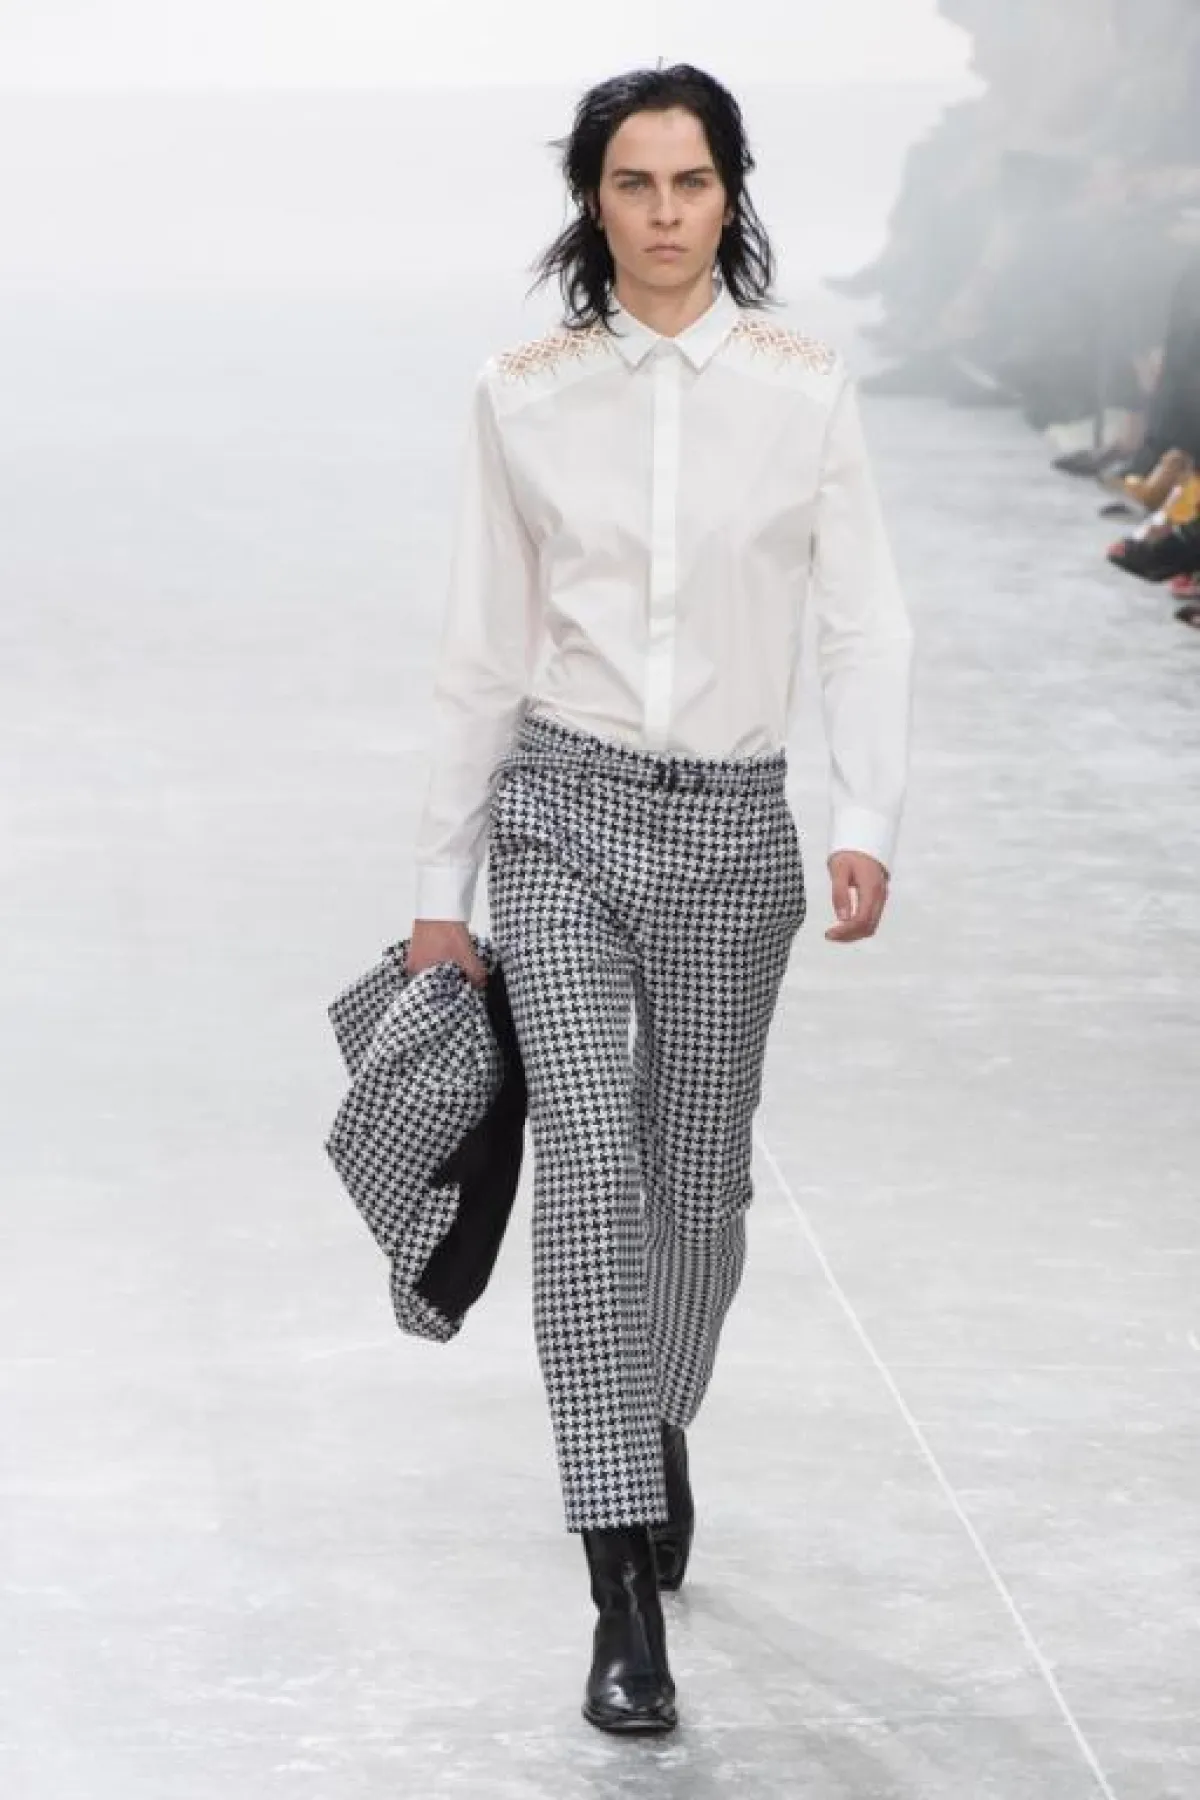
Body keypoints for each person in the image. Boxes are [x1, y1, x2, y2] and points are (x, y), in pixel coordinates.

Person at [403, 63, 915, 1735]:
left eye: (691, 182)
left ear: (731, 193)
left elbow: (864, 619)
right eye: (634, 183)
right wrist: (442, 884)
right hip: (562, 810)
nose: (665, 212)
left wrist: (866, 813)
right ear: (593, 200)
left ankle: (652, 1411)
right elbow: (481, 645)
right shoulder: (522, 394)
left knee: (699, 1185)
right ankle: (619, 1578)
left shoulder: (805, 391)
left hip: (735, 828)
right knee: (587, 1170)